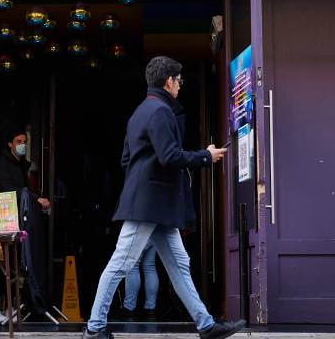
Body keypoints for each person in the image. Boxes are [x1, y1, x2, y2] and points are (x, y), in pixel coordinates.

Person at [83, 56, 244, 339]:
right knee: (120, 263)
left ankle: (206, 325)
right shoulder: (160, 112)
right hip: (149, 206)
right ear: (168, 81)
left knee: (179, 265)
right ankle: (94, 328)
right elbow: (169, 156)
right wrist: (206, 156)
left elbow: (126, 160)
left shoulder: (140, 112)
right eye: (179, 81)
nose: (180, 86)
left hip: (154, 205)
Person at [0, 127, 52, 324]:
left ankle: (9, 307)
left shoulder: (20, 165)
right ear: (10, 144)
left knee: (12, 265)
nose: (23, 145)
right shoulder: (3, 164)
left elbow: (24, 192)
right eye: (19, 141)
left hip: (14, 221)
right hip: (1, 220)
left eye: (25, 141)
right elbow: (9, 190)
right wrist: (36, 199)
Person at [121, 240, 158, 320]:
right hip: (154, 231)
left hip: (140, 229)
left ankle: (129, 307)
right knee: (150, 266)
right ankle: (150, 308)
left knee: (133, 266)